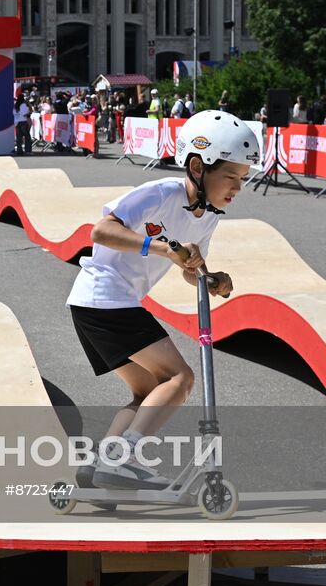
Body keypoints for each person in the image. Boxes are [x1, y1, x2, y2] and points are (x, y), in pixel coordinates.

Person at [66, 112, 258, 489]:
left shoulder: (208, 216)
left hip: (99, 305)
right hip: (106, 297)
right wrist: (163, 249)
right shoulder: (161, 193)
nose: (237, 188)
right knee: (179, 379)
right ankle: (124, 460)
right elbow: (101, 231)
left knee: (146, 390)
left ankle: (103, 466)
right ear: (199, 167)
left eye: (243, 180)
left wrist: (209, 278)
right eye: (231, 177)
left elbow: (190, 266)